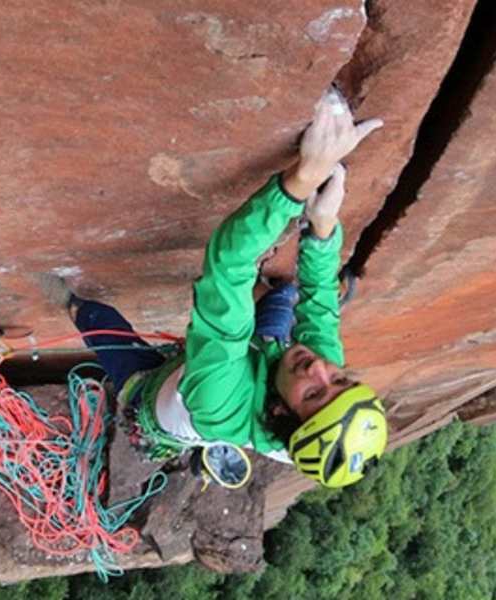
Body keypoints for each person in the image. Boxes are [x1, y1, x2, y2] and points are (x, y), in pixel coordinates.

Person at [69, 90, 389, 488]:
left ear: (276, 414)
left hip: (154, 399)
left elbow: (228, 267)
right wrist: (321, 231)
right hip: (256, 361)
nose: (320, 368)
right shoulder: (315, 374)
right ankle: (272, 314)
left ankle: (67, 301)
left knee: (94, 316)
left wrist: (301, 181)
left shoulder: (220, 402)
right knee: (283, 299)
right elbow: (321, 303)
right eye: (341, 380)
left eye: (313, 395)